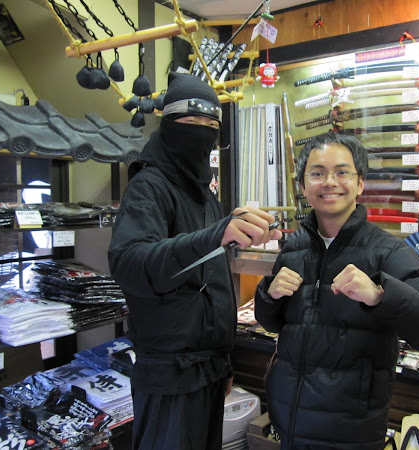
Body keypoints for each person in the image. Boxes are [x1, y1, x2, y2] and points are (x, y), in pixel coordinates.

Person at [108, 72, 281, 450]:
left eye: (212, 126)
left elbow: (212, 282)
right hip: (168, 375)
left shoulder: (205, 196)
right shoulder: (149, 187)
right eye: (191, 122)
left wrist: (224, 362)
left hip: (209, 371)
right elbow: (129, 263)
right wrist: (213, 235)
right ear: (169, 124)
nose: (202, 133)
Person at [254, 132, 419, 449]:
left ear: (360, 183)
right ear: (303, 186)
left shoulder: (387, 252)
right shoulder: (294, 248)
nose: (329, 182)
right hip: (289, 423)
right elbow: (274, 323)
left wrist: (381, 296)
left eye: (342, 172)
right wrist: (269, 294)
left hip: (351, 432)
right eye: (317, 173)